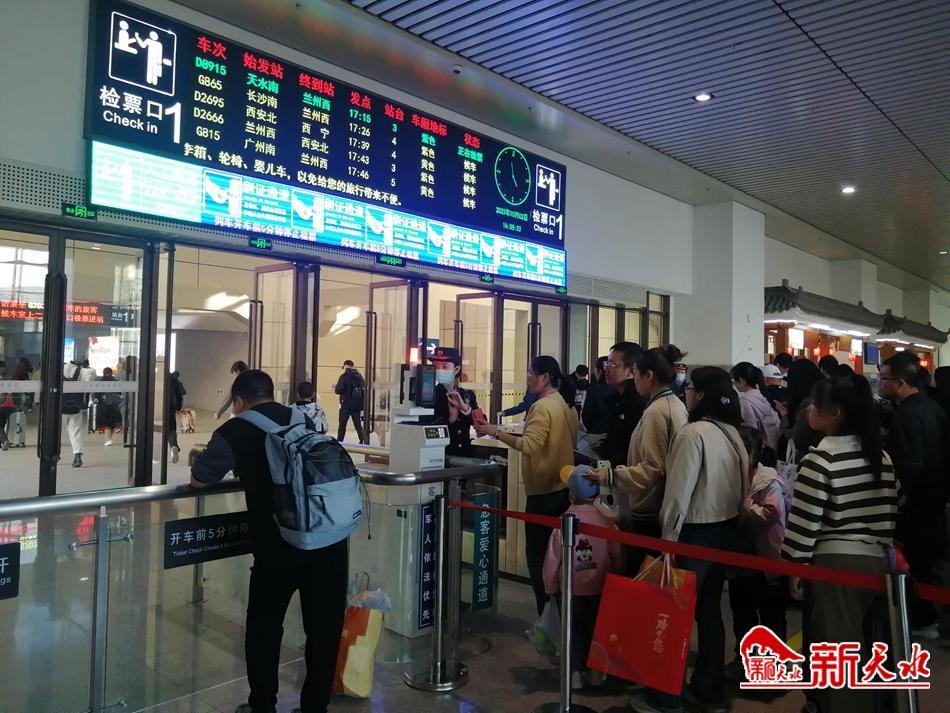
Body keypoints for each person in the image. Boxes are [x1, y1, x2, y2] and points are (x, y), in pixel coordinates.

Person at [191, 370, 348, 713]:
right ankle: (315, 708)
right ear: (271, 394)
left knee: (264, 627)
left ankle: (262, 705)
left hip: (278, 547)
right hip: (329, 539)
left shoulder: (234, 430)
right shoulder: (303, 419)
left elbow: (200, 479)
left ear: (238, 401)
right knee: (323, 630)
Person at [631, 367, 748, 713]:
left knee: (672, 615)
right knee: (709, 614)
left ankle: (665, 696)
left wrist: (668, 541)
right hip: (724, 532)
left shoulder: (692, 433)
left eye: (690, 388)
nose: (686, 393)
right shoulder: (732, 433)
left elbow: (678, 495)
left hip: (693, 533)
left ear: (701, 395)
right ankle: (710, 690)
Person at [783, 375, 899, 713]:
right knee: (871, 645)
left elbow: (805, 522)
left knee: (836, 649)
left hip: (835, 563)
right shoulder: (881, 456)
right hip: (879, 560)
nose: (809, 411)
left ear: (834, 414)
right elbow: (893, 506)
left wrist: (795, 566)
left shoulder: (820, 460)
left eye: (815, 406)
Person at [475, 356, 578, 615]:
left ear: (545, 377)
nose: (528, 376)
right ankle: (559, 617)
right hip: (562, 488)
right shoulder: (564, 403)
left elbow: (529, 445)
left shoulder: (542, 407)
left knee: (538, 557)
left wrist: (495, 431)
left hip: (543, 493)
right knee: (556, 557)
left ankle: (546, 616)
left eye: (531, 371)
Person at [588, 345, 688, 574]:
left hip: (649, 508)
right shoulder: (672, 404)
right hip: (659, 506)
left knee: (640, 575)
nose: (634, 380)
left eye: (637, 374)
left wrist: (610, 475)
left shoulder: (657, 411)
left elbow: (654, 468)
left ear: (648, 375)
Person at [878, 351, 948, 639]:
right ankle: (927, 617)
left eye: (883, 378)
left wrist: (898, 496)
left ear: (900, 382)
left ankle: (920, 619)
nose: (879, 382)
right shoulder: (933, 408)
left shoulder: (907, 415)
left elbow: (910, 464)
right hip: (934, 499)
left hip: (915, 504)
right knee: (926, 560)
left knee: (914, 562)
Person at [542, 468, 623, 690]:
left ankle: (575, 673)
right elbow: (616, 552)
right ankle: (596, 671)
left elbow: (553, 558)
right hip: (600, 586)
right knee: (597, 630)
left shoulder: (564, 522)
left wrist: (550, 586)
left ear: (571, 494)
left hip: (571, 589)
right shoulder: (606, 521)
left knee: (572, 631)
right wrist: (616, 573)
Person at [726, 428, 788, 683]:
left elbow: (771, 513)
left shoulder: (768, 480)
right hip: (740, 560)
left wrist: (743, 507)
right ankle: (744, 662)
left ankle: (774, 670)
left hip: (767, 560)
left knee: (771, 617)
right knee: (742, 615)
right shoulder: (731, 477)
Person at [429, 347, 480, 457]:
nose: (439, 370)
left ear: (456, 369)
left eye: (445, 366)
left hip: (464, 455)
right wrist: (451, 419)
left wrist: (466, 409)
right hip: (440, 455)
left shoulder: (466, 394)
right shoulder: (430, 396)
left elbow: (481, 425)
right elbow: (427, 429)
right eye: (435, 366)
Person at [602, 341, 645, 467]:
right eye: (606, 363)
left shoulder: (637, 401)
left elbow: (634, 447)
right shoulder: (617, 397)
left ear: (631, 371)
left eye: (612, 364)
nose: (606, 368)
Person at [730, 362, 781, 465]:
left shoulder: (745, 401)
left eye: (734, 381)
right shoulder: (762, 396)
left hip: (759, 456)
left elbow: (749, 434)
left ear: (741, 381)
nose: (734, 384)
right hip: (772, 451)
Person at [62, 359, 96, 468]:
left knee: (56, 433)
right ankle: (77, 456)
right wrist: (83, 368)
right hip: (76, 407)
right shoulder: (82, 371)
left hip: (60, 408)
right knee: (75, 432)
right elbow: (92, 373)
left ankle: (55, 455)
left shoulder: (59, 369)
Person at [578, 356, 611, 459]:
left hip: (595, 433)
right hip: (612, 434)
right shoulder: (617, 388)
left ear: (599, 370)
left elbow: (586, 415)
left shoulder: (594, 388)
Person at [334, 359, 367, 443]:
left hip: (345, 405)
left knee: (342, 426)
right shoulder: (360, 377)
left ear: (346, 366)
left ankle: (340, 442)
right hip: (357, 406)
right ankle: (363, 441)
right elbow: (364, 391)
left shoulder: (344, 377)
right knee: (358, 425)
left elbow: (338, 390)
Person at [95, 367, 124, 448]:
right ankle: (110, 439)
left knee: (106, 423)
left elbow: (97, 394)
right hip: (114, 405)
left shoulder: (100, 381)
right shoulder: (115, 381)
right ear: (111, 373)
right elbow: (119, 393)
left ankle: (108, 440)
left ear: (103, 372)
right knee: (112, 423)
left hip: (104, 405)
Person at [167, 371, 187, 462]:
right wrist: (178, 407)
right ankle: (173, 446)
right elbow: (179, 394)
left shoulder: (154, 376)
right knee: (171, 428)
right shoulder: (172, 378)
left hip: (156, 406)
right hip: (171, 405)